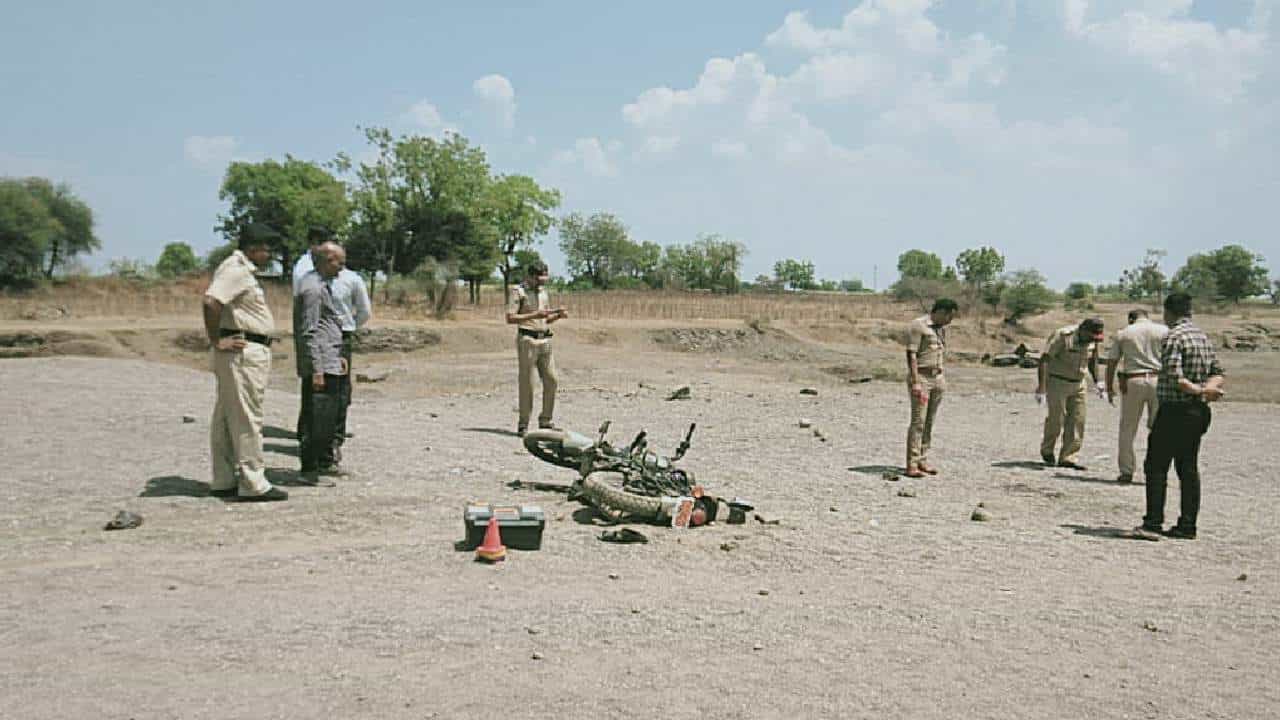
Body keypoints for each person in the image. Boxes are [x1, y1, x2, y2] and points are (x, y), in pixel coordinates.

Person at [202, 223, 288, 502]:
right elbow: (211, 302)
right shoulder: (236, 270)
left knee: (227, 417)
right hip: (243, 353)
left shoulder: (235, 268)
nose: (269, 255)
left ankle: (223, 478)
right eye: (266, 249)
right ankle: (253, 482)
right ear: (253, 248)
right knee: (247, 417)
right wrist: (216, 339)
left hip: (242, 351)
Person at [1138, 293, 1225, 540]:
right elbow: (1218, 372)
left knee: (1156, 465)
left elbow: (1175, 377)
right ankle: (1187, 524)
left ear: (1168, 311)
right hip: (1198, 411)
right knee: (1187, 467)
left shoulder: (1173, 337)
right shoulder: (1201, 336)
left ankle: (1153, 522)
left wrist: (1199, 390)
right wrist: (1209, 389)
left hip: (1175, 410)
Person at [297, 241, 350, 483]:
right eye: (339, 262)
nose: (342, 268)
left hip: (330, 360)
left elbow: (326, 326)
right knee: (316, 420)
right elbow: (309, 332)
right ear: (327, 261)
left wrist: (337, 357)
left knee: (327, 418)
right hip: (321, 365)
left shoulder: (320, 285)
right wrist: (317, 369)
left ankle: (322, 464)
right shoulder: (313, 289)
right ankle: (310, 469)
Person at [1105, 309, 1169, 483]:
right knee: (1159, 428)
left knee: (1128, 428)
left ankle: (1126, 470)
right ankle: (1157, 470)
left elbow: (1112, 361)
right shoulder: (1164, 331)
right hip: (1158, 379)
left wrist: (1109, 387)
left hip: (1133, 380)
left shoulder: (1124, 333)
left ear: (1131, 319)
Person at [505, 261, 567, 436]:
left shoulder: (543, 293)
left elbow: (544, 319)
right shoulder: (518, 292)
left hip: (545, 339)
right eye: (539, 278)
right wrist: (534, 314)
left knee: (552, 380)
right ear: (530, 276)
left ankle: (546, 420)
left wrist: (558, 316)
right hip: (527, 340)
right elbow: (510, 318)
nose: (542, 281)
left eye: (544, 278)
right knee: (528, 384)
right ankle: (523, 424)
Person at [1036, 317, 1106, 470]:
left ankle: (1068, 457)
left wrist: (1098, 381)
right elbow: (1045, 360)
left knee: (1077, 420)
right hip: (1058, 381)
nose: (1093, 340)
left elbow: (1093, 359)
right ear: (1083, 330)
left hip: (1079, 383)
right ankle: (1047, 450)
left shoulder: (1091, 340)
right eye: (1091, 336)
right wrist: (1041, 388)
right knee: (1056, 419)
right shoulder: (1063, 336)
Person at [903, 298, 958, 478]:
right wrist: (915, 382)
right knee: (918, 421)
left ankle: (922, 459)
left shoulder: (940, 330)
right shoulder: (918, 326)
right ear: (941, 312)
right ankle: (912, 464)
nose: (950, 321)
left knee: (929, 422)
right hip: (922, 377)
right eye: (949, 316)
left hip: (937, 378)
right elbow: (911, 355)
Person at [327, 264, 372, 464]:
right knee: (314, 386)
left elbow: (364, 311)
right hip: (315, 335)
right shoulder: (308, 276)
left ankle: (334, 440)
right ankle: (310, 437)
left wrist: (348, 326)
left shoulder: (351, 279)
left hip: (340, 336)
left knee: (339, 389)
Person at [293, 227, 330, 445]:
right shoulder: (307, 269)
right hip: (313, 331)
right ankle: (309, 437)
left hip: (316, 330)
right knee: (313, 386)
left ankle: (309, 433)